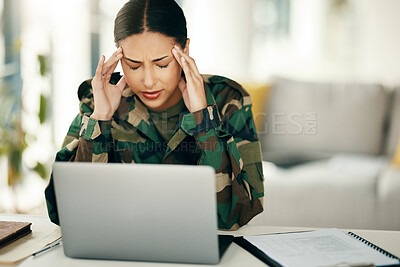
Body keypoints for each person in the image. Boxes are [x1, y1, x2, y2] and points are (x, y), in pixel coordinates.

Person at [45, 0, 264, 230]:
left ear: (185, 50)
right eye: (134, 65)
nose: (148, 81)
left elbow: (240, 213)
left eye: (162, 64)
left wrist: (203, 120)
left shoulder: (227, 99)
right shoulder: (98, 99)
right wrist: (100, 118)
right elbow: (66, 212)